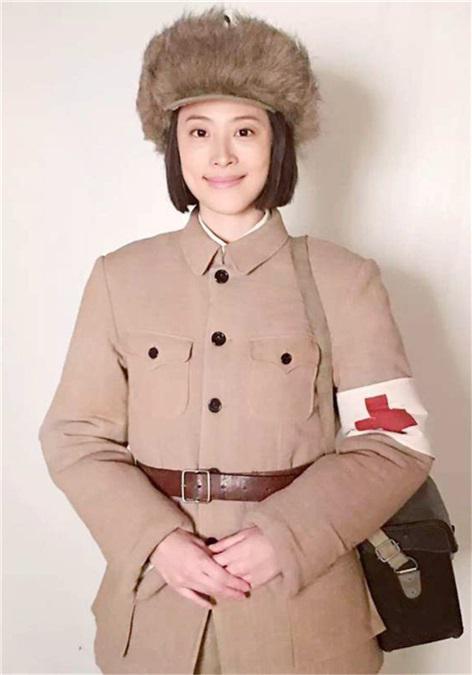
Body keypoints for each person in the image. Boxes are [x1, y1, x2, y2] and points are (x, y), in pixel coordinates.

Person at [38, 6, 436, 674]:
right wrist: (156, 539)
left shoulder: (344, 279)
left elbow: (394, 442)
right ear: (175, 147)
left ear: (277, 143)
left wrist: (286, 537)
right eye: (199, 131)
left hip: (306, 621)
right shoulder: (120, 278)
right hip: (156, 615)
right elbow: (75, 437)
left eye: (244, 130)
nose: (221, 154)